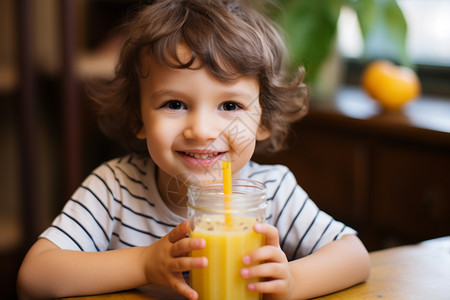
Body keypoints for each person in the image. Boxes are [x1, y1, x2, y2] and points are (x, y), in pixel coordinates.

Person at [17, 0, 371, 299]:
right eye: (174, 104)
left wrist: (293, 281)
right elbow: (34, 276)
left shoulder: (270, 192)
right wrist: (144, 264)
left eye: (230, 106)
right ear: (138, 118)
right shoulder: (115, 189)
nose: (201, 131)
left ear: (264, 121)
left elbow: (355, 256)